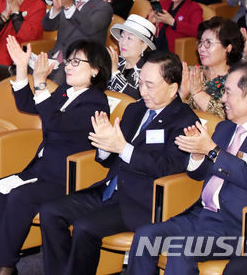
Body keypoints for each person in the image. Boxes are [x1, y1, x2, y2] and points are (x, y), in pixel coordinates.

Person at [39, 51, 198, 274]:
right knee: (50, 212)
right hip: (108, 189)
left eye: (150, 86)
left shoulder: (185, 120)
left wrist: (123, 147)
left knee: (85, 228)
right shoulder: (135, 109)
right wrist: (105, 145)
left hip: (140, 201)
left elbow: (168, 167)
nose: (142, 91)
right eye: (141, 83)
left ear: (172, 88)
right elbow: (112, 156)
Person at [127, 63, 247, 274]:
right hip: (201, 216)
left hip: (238, 230)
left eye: (228, 93)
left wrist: (212, 150)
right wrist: (197, 155)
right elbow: (197, 175)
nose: (222, 100)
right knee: (145, 236)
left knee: (181, 248)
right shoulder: (224, 127)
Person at [0, 37, 110, 274]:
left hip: (67, 177)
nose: (68, 67)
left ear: (95, 70)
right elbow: (28, 106)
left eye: (76, 62)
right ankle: (0, 263)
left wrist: (41, 82)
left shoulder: (96, 101)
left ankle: (3, 267)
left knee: (21, 197)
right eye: (69, 61)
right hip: (43, 169)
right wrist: (23, 69)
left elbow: (55, 122)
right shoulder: (65, 91)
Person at [42, 0, 113, 75]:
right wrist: (56, 8)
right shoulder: (68, 1)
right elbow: (47, 26)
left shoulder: (103, 8)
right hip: (54, 59)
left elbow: (89, 28)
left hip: (80, 65)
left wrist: (69, 6)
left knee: (52, 80)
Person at [180, 18, 245, 119]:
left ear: (228, 48)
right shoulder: (191, 73)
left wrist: (198, 93)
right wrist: (181, 94)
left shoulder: (238, 81)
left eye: (208, 43)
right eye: (201, 42)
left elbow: (229, 118)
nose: (201, 48)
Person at [107, 15, 157, 99]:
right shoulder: (117, 61)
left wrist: (115, 73)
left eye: (129, 38)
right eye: (122, 36)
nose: (123, 42)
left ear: (144, 46)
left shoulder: (148, 71)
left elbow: (137, 99)